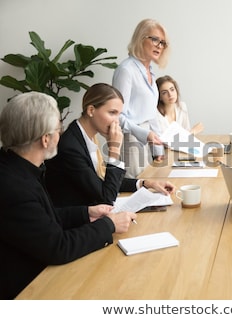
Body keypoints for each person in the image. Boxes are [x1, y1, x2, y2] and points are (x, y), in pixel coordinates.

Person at [0, 92, 137, 299]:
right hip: (28, 290)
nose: (61, 134)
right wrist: (109, 225)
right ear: (46, 139)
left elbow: (43, 219)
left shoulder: (16, 166)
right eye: (58, 129)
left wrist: (86, 213)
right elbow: (58, 247)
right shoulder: (15, 186)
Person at [45, 83, 175, 207]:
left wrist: (145, 183)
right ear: (91, 110)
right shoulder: (71, 146)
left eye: (119, 114)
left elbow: (103, 182)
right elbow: (106, 197)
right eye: (112, 113)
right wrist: (114, 149)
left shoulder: (88, 136)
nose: (116, 121)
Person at [112, 18, 170, 178]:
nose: (159, 46)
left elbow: (151, 114)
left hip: (148, 139)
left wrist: (158, 149)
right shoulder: (126, 70)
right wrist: (145, 135)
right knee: (136, 189)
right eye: (155, 39)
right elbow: (117, 116)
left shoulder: (150, 71)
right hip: (130, 139)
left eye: (163, 42)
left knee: (151, 186)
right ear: (141, 38)